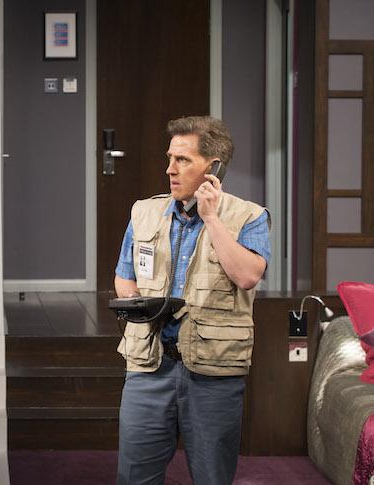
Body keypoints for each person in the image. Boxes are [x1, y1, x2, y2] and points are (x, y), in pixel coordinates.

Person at [114, 115, 271, 485]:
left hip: (213, 373)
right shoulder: (143, 212)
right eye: (170, 158)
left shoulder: (249, 217)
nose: (170, 169)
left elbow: (247, 276)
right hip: (149, 366)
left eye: (182, 160)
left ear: (213, 167)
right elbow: (124, 276)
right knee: (134, 476)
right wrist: (137, 303)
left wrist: (211, 218)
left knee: (212, 477)